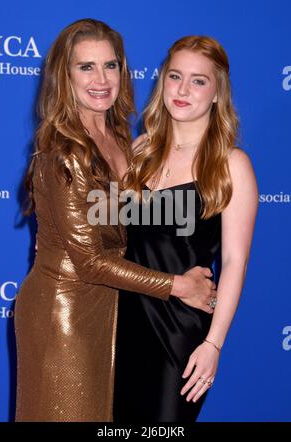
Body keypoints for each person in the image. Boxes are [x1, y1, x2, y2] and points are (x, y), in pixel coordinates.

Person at [14, 20, 216, 422]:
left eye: (111, 65)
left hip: (116, 308)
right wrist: (179, 286)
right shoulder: (63, 151)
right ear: (64, 75)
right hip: (65, 312)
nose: (101, 79)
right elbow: (89, 260)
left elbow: (128, 228)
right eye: (86, 67)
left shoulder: (122, 138)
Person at [113, 35, 258, 422]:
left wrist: (213, 344)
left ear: (216, 93)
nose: (182, 89)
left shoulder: (231, 165)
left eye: (198, 80)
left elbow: (234, 261)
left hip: (179, 331)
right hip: (120, 325)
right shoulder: (138, 152)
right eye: (175, 76)